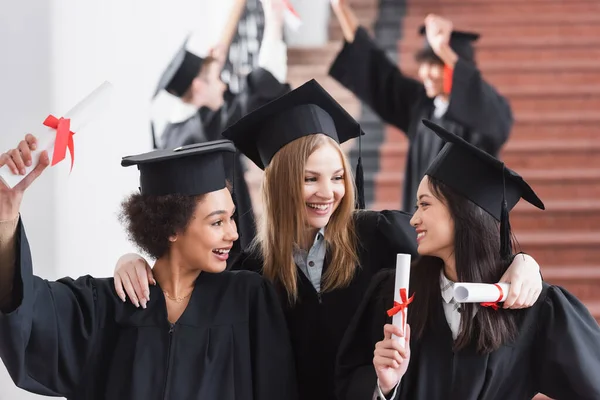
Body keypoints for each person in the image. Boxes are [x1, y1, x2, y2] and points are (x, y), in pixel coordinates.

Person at [113, 80, 543, 400]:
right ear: (280, 184)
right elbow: (183, 290)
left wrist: (523, 264)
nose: (329, 192)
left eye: (337, 177)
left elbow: (460, 265)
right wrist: (132, 261)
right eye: (310, 179)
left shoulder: (383, 235)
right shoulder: (250, 270)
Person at [0, 136, 297, 399]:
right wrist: (6, 216)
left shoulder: (248, 298)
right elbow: (21, 305)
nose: (233, 233)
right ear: (172, 229)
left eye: (232, 218)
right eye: (217, 222)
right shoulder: (104, 305)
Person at [335, 120, 600, 400]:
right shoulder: (396, 294)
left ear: (463, 215)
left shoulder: (531, 307)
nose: (413, 218)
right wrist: (385, 387)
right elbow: (349, 380)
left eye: (425, 204)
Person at [329, 0, 513, 212]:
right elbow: (377, 69)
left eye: (435, 65)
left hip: (465, 227)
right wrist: (341, 9)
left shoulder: (482, 114)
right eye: (424, 64)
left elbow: (497, 122)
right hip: (421, 223)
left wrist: (443, 48)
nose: (425, 73)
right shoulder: (422, 106)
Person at [152, 0, 292, 265]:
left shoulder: (172, 134)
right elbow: (262, 86)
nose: (224, 85)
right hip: (226, 257)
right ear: (198, 86)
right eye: (217, 79)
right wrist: (274, 23)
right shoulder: (208, 134)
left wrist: (215, 59)